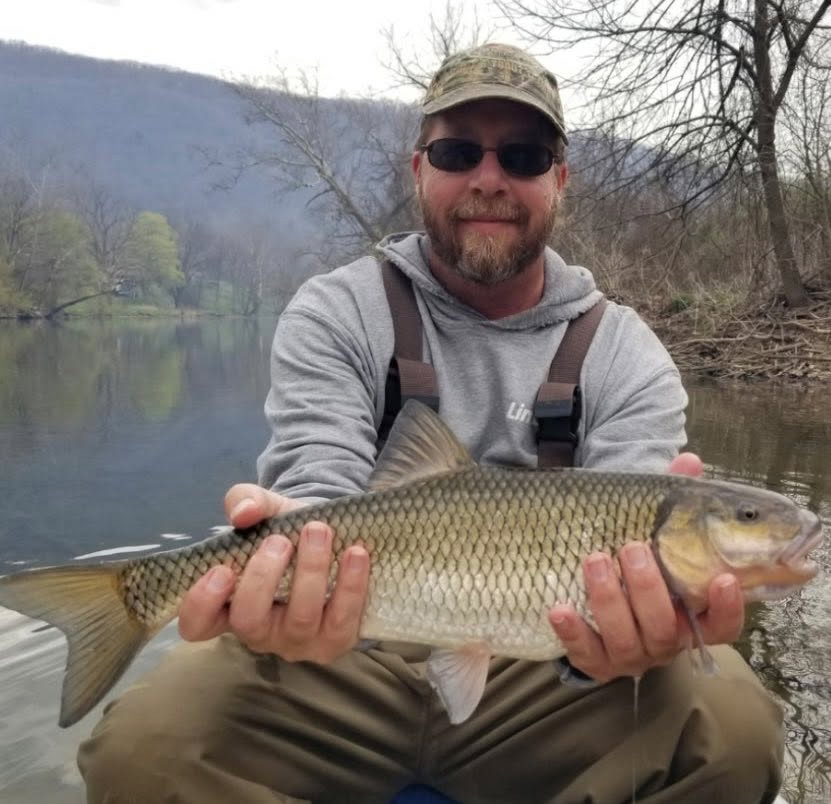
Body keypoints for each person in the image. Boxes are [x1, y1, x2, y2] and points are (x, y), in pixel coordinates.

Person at [78, 43, 784, 803]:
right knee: (138, 750)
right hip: (338, 659)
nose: (489, 179)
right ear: (419, 170)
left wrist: (606, 651)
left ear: (560, 182)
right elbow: (316, 488)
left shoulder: (624, 351)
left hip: (546, 678)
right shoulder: (337, 309)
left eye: (522, 155)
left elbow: (632, 586)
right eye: (456, 151)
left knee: (732, 729)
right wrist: (293, 582)